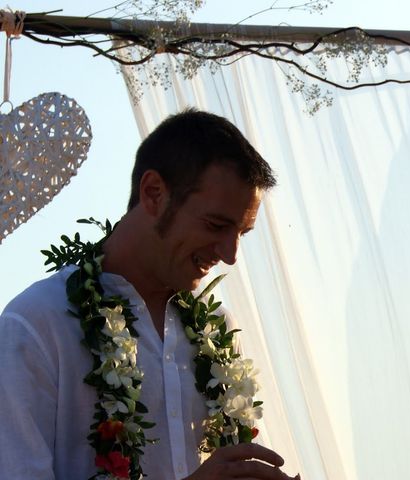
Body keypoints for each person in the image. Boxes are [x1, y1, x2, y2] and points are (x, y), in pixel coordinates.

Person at [0, 109, 299, 480]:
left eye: (242, 233)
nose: (230, 254)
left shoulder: (217, 330)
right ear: (154, 193)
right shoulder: (38, 324)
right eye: (216, 225)